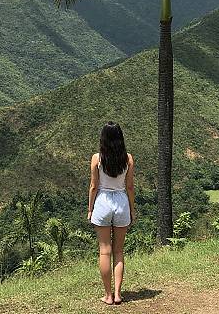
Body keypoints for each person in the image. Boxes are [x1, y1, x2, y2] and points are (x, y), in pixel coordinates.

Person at [88, 121, 135, 306]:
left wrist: (90, 209)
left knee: (104, 251)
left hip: (103, 203)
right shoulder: (128, 158)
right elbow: (130, 187)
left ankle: (107, 295)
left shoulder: (97, 158)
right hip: (122, 202)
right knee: (119, 251)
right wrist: (132, 209)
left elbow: (93, 186)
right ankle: (117, 294)